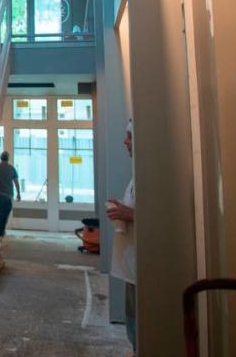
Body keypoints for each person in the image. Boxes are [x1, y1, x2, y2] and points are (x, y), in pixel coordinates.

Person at [107, 121, 137, 354]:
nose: (125, 141)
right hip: (132, 265)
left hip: (143, 267)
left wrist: (132, 214)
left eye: (129, 136)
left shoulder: (150, 174)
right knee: (133, 325)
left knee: (138, 326)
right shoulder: (137, 174)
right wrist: (125, 211)